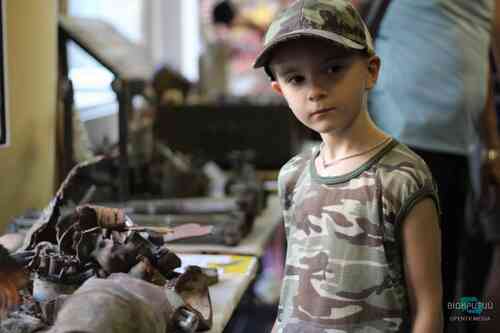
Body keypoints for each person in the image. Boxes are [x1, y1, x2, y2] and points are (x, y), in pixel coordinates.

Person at [253, 0, 442, 332]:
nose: (314, 91)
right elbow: (293, 290)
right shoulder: (293, 176)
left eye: (333, 69)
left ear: (371, 70)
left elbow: (428, 307)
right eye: (296, 79)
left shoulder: (403, 177)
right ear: (279, 90)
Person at [368, 0, 500, 329]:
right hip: (401, 138)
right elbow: (345, 23)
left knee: (445, 273)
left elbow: (480, 54)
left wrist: (491, 146)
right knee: (399, 283)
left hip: (461, 145)